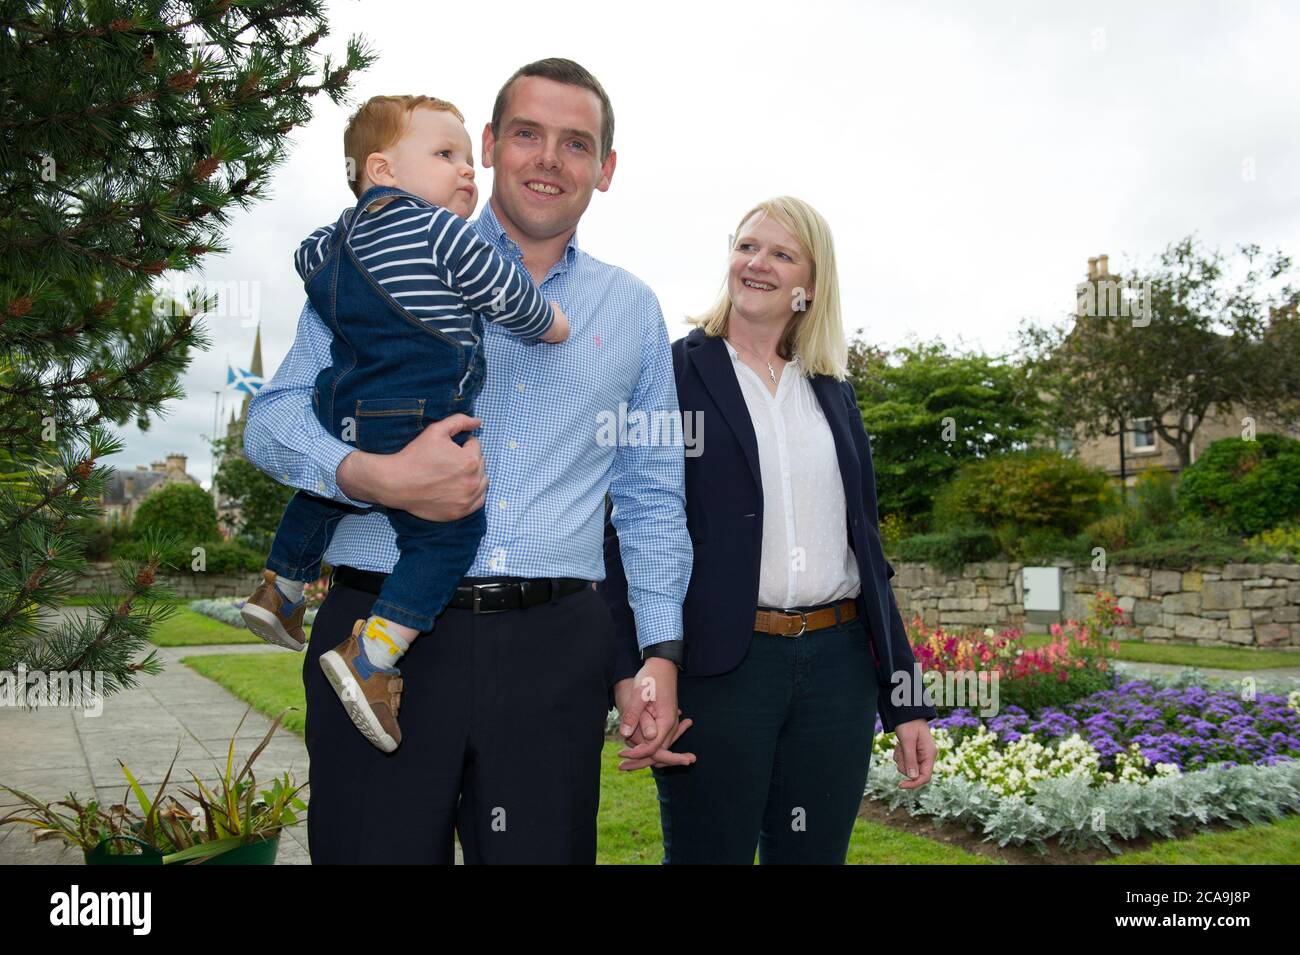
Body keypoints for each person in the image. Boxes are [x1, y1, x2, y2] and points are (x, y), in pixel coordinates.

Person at [244, 58, 693, 864]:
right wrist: (369, 474)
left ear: (606, 168)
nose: (548, 158)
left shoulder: (632, 311)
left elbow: (652, 495)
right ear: (488, 145)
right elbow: (272, 420)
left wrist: (658, 652)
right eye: (527, 134)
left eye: (576, 143)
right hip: (376, 646)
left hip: (553, 657)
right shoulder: (376, 255)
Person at [601, 196, 938, 864]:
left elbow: (866, 552)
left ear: (810, 286)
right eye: (747, 245)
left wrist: (906, 698)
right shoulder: (671, 373)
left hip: (836, 674)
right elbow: (622, 532)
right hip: (722, 671)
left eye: (781, 254)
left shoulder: (832, 390)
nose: (757, 263)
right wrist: (635, 667)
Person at [239, 94, 569, 755]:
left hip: (344, 409)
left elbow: (307, 263)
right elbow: (513, 300)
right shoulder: (445, 235)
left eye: (470, 160)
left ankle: (280, 587)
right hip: (417, 413)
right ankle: (375, 650)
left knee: (324, 487)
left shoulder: (330, 245)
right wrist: (554, 324)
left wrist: (352, 468)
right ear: (383, 169)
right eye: (447, 156)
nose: (466, 172)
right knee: (449, 537)